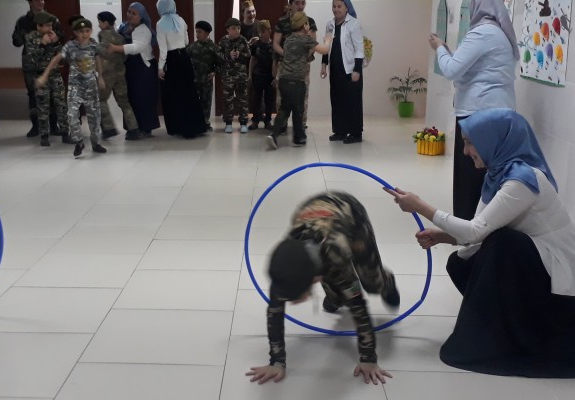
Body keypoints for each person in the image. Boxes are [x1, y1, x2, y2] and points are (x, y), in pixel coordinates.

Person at [385, 109, 575, 378]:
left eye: (470, 143)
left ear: (493, 140)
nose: (465, 152)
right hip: (536, 260)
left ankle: (520, 330)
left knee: (503, 244)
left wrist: (421, 207)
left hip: (558, 274)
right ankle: (504, 328)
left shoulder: (522, 180)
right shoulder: (497, 174)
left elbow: (476, 232)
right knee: (461, 261)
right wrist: (444, 236)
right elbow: (481, 229)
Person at [246, 191, 399, 385]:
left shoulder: (335, 254)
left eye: (296, 297)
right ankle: (336, 296)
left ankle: (387, 282)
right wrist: (276, 362)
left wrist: (368, 359)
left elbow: (358, 306)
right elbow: (274, 311)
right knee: (337, 294)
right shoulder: (285, 264)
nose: (293, 302)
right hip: (315, 219)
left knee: (370, 281)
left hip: (351, 217)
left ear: (312, 280)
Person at [430, 0, 518, 220]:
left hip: (478, 113)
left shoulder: (482, 33)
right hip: (497, 112)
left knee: (470, 178)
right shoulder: (499, 33)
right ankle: (481, 226)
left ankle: (467, 227)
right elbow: (471, 68)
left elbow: (451, 70)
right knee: (486, 177)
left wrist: (439, 47)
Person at [37, 18, 107, 157]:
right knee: (72, 115)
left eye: (87, 31)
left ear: (91, 31)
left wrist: (100, 77)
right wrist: (44, 76)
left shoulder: (94, 45)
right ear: (75, 32)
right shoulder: (70, 46)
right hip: (75, 86)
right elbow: (56, 59)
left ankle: (95, 143)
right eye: (81, 32)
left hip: (91, 86)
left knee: (94, 117)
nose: (84, 34)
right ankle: (79, 142)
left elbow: (98, 60)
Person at [266, 12, 332, 150]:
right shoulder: (306, 39)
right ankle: (299, 137)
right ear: (304, 25)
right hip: (297, 82)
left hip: (284, 80)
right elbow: (324, 50)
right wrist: (328, 40)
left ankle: (274, 134)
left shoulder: (289, 39)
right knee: (298, 109)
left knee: (284, 109)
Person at [12, 0, 65, 138]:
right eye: (37, 0)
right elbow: (16, 41)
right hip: (32, 64)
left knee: (54, 95)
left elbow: (61, 36)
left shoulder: (52, 19)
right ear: (30, 2)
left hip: (49, 61)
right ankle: (36, 126)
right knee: (33, 95)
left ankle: (53, 125)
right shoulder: (23, 21)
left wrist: (53, 37)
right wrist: (31, 36)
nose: (41, 2)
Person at [155, 0, 207, 139]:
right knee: (189, 92)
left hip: (172, 60)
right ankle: (196, 126)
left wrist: (160, 67)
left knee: (176, 95)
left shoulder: (160, 24)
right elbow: (186, 41)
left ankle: (178, 127)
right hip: (184, 58)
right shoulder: (181, 20)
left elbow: (163, 49)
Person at [109, 2, 160, 138]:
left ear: (141, 16)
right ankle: (132, 128)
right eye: (129, 12)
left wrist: (115, 48)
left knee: (143, 98)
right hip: (129, 68)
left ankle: (145, 127)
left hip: (143, 69)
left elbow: (137, 48)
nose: (130, 15)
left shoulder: (144, 30)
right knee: (130, 98)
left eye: (134, 13)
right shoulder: (123, 27)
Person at [25, 11, 73, 147]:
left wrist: (56, 42)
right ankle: (44, 135)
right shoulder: (30, 38)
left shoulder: (53, 35)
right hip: (40, 76)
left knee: (61, 105)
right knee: (43, 107)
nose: (50, 28)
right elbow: (32, 60)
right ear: (38, 26)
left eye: (51, 25)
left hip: (55, 74)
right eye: (47, 26)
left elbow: (61, 55)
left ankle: (65, 133)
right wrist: (43, 44)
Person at [322, 0, 364, 144]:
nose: (336, 9)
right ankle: (340, 131)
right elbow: (326, 45)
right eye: (334, 6)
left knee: (352, 101)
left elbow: (359, 49)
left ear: (347, 8)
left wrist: (357, 70)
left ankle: (355, 133)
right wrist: (324, 64)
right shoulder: (330, 24)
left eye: (339, 6)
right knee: (336, 100)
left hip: (350, 70)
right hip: (335, 69)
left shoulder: (354, 24)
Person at [96, 11, 141, 141]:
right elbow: (124, 55)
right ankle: (134, 129)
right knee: (124, 103)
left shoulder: (102, 35)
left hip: (107, 74)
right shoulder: (120, 37)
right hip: (120, 73)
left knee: (100, 99)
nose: (99, 25)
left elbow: (102, 52)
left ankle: (109, 128)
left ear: (105, 23)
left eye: (100, 22)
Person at [273, 0, 317, 130]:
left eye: (303, 3)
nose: (300, 6)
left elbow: (313, 44)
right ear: (290, 5)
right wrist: (288, 55)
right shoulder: (282, 21)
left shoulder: (310, 21)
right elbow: (275, 44)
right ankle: (281, 124)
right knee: (282, 96)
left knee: (302, 95)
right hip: (285, 64)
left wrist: (301, 57)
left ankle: (300, 125)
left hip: (302, 65)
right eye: (297, 3)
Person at [218, 18, 251, 134]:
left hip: (241, 76)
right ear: (228, 29)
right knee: (228, 99)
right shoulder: (223, 41)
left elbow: (248, 54)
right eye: (233, 28)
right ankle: (228, 123)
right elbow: (218, 55)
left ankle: (243, 123)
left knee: (243, 100)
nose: (237, 30)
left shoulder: (243, 40)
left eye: (238, 28)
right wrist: (229, 55)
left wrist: (240, 54)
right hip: (228, 76)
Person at [187, 21, 219, 132]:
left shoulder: (213, 47)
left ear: (206, 33)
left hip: (207, 81)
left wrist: (214, 72)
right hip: (194, 80)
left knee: (206, 102)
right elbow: (186, 61)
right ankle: (195, 122)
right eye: (196, 32)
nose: (197, 34)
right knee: (194, 102)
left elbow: (219, 63)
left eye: (199, 32)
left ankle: (205, 122)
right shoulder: (192, 47)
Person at [248, 20, 275, 131]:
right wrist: (250, 75)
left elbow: (276, 62)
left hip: (270, 76)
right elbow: (253, 60)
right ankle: (255, 121)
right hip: (258, 75)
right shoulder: (255, 45)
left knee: (269, 99)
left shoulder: (274, 45)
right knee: (256, 99)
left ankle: (267, 121)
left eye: (264, 31)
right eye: (260, 32)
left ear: (269, 31)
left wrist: (276, 77)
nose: (262, 34)